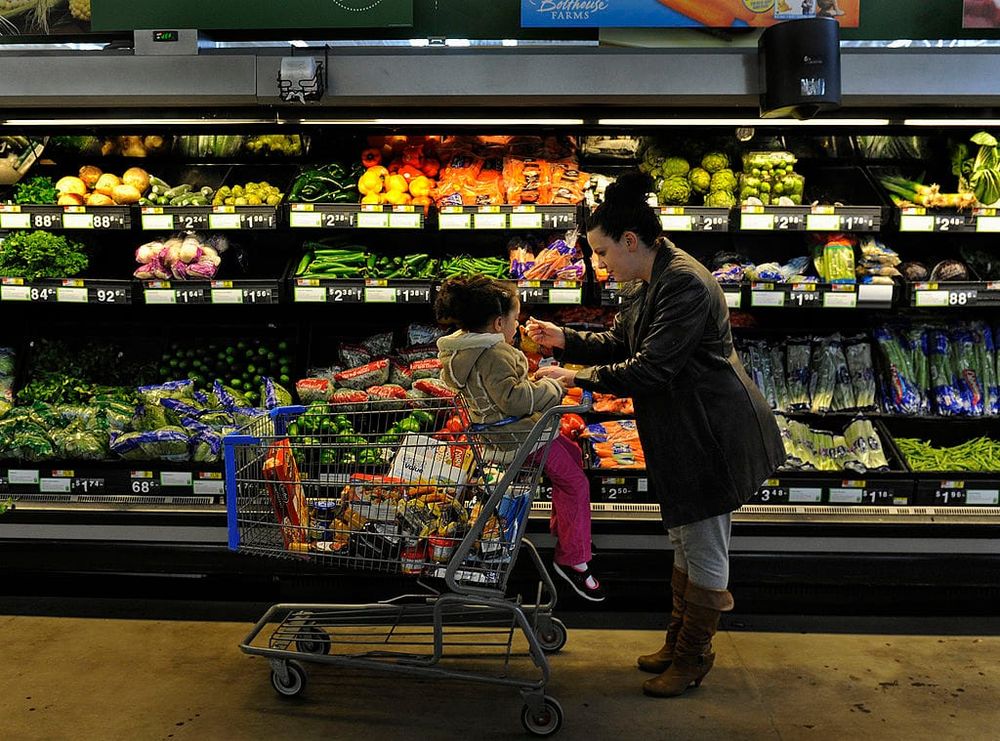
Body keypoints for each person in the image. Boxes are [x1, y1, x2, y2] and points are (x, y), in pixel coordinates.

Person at [528, 172, 784, 697]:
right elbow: (622, 342)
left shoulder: (683, 282)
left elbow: (651, 368)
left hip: (712, 429)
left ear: (630, 240)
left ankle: (693, 656)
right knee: (685, 537)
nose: (599, 263)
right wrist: (564, 339)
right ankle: (678, 643)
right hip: (681, 425)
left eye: (602, 252)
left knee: (704, 543)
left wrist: (574, 378)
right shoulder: (647, 279)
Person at [434, 275, 605, 602]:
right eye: (515, 320)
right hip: (521, 437)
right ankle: (573, 559)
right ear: (499, 323)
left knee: (571, 453)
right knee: (576, 483)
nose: (518, 326)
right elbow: (513, 400)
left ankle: (572, 532)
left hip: (507, 433)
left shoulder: (465, 350)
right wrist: (552, 387)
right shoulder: (495, 354)